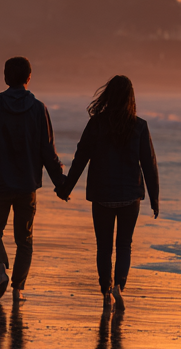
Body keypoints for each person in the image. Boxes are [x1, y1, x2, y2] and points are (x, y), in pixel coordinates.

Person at [57, 75, 159, 311]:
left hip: (102, 194)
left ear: (108, 96)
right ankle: (119, 288)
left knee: (103, 246)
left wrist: (66, 188)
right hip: (130, 196)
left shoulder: (96, 124)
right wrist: (154, 198)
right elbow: (149, 164)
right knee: (124, 245)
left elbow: (81, 157)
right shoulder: (139, 126)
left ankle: (106, 292)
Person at [0, 56, 67, 300]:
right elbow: (48, 151)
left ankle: (1, 270)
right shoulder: (38, 109)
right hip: (27, 185)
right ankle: (18, 289)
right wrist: (61, 184)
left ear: (5, 78)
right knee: (24, 239)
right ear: (28, 78)